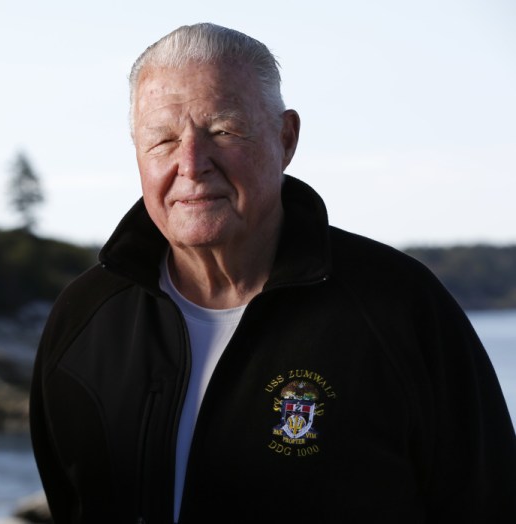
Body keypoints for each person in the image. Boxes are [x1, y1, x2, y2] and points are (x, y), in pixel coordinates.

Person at [29, 23, 516, 523]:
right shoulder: (84, 320)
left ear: (286, 138)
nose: (192, 163)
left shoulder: (400, 309)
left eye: (224, 130)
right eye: (163, 140)